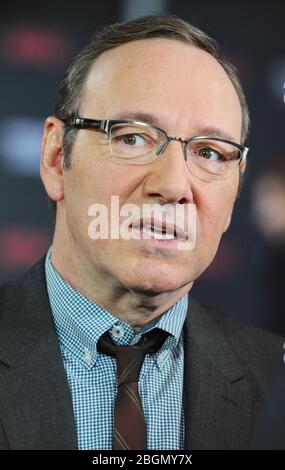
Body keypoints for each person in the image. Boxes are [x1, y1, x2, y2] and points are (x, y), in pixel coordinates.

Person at [0, 14, 283, 451]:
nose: (171, 185)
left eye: (210, 152)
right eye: (132, 138)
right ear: (57, 159)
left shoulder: (275, 381)